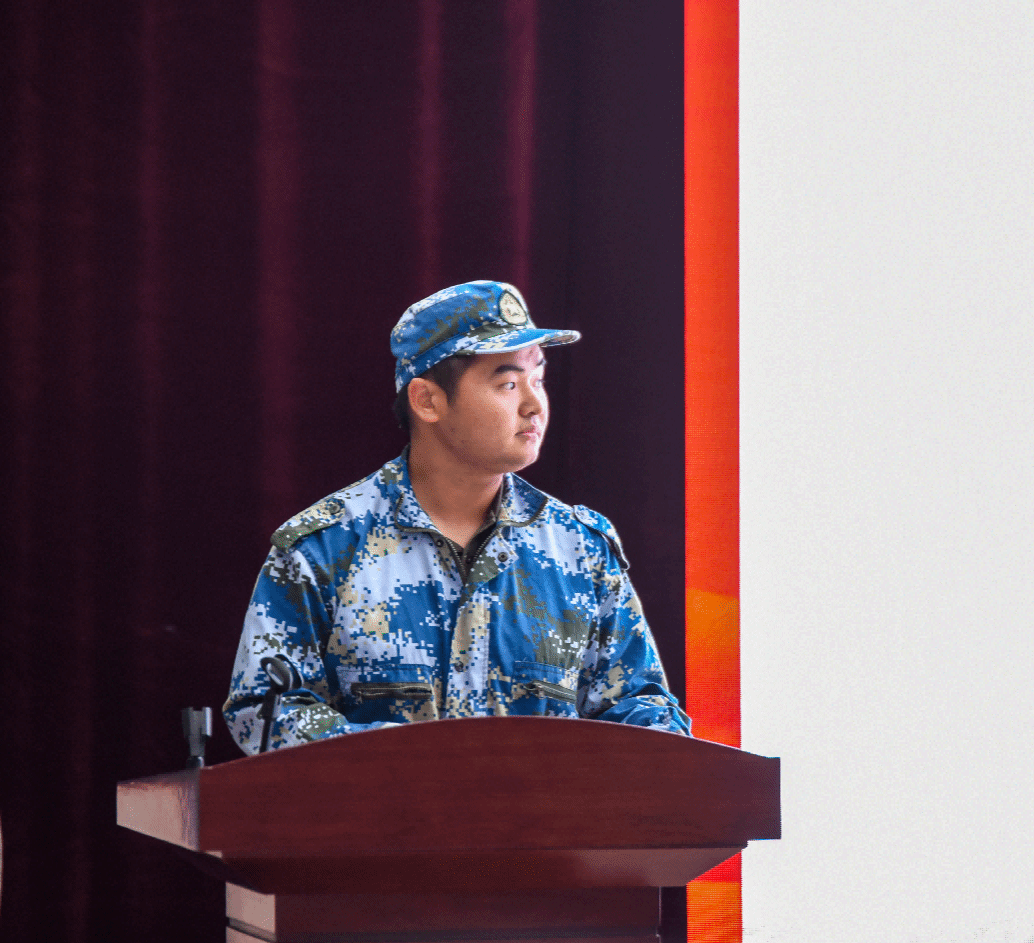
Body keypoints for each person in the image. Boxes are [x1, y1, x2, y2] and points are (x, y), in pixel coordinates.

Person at [222, 280, 690, 753]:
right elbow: (266, 711)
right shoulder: (324, 548)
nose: (535, 405)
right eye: (508, 384)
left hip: (547, 805)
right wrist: (419, 769)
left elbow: (638, 707)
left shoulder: (580, 550)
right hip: (384, 803)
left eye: (539, 379)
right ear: (427, 400)